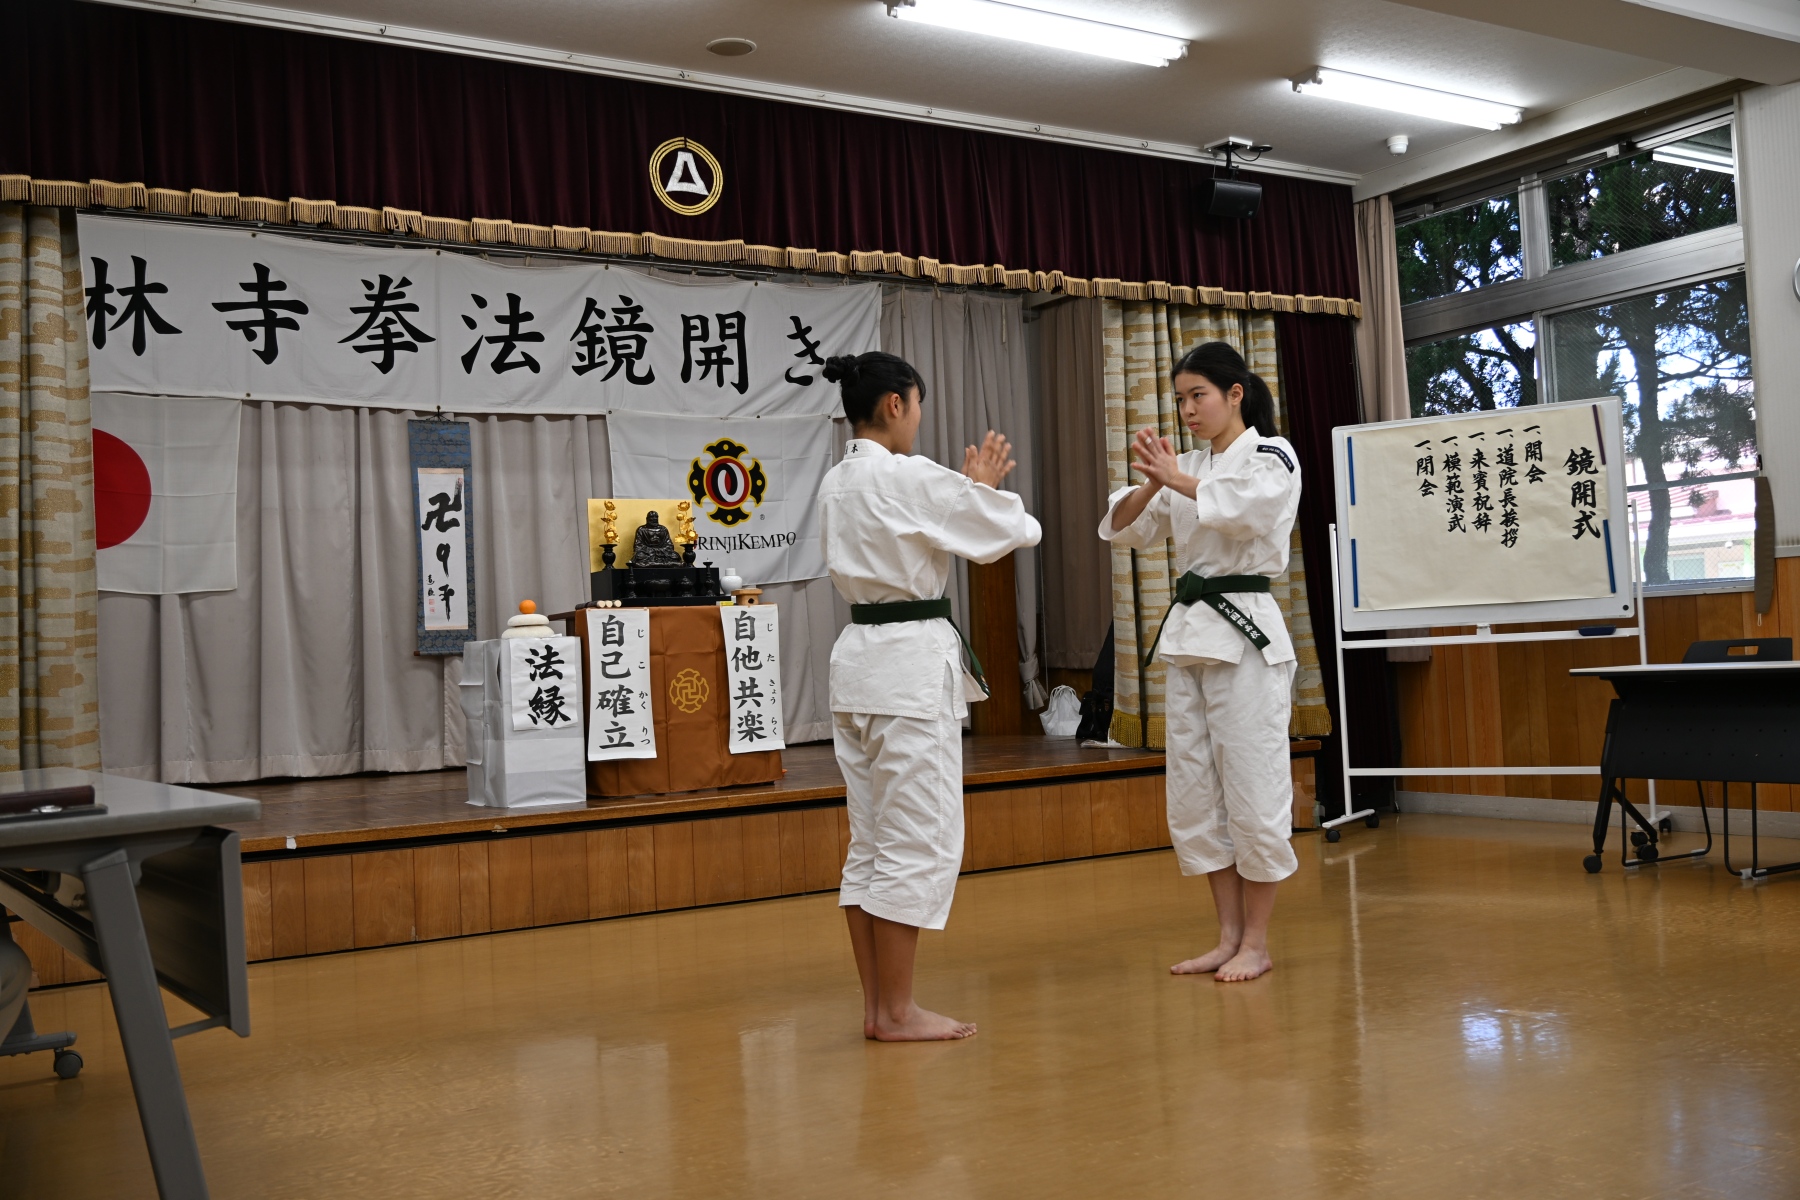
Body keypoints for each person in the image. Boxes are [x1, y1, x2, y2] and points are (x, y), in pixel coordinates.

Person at [819, 350, 1042, 1040]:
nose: (917, 419)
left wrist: (969, 493)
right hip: (908, 671)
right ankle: (898, 1011)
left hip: (858, 664)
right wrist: (980, 489)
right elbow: (1014, 530)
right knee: (914, 841)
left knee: (871, 844)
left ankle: (878, 1008)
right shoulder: (905, 474)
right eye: (917, 406)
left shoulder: (836, 481)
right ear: (895, 404)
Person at [1098, 341, 1302, 983]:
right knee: (1193, 792)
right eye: (1181, 398)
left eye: (1199, 396)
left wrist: (1177, 479)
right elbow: (1124, 527)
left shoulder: (1272, 454)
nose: (1188, 409)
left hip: (1246, 636)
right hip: (1191, 637)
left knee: (1253, 786)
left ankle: (1257, 943)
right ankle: (1227, 937)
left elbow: (1245, 513)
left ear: (1235, 394)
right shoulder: (1184, 465)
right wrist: (1153, 482)